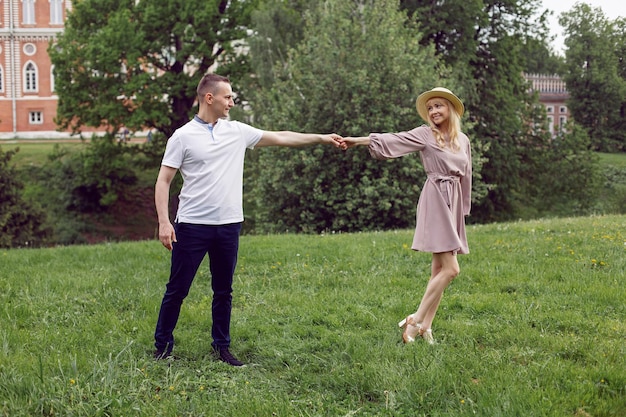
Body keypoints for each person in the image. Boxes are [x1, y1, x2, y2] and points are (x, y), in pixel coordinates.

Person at [154, 73, 342, 365]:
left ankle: (222, 347)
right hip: (192, 226)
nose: (232, 102)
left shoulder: (237, 131)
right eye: (227, 97)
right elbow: (164, 181)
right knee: (177, 289)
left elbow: (281, 137)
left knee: (224, 290)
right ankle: (162, 347)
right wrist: (165, 222)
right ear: (209, 98)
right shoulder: (182, 137)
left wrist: (322, 138)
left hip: (229, 225)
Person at [339, 87, 472, 345]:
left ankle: (426, 327)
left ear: (451, 109)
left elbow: (466, 176)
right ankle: (415, 320)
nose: (433, 111)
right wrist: (356, 141)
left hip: (453, 201)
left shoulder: (463, 140)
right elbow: (393, 139)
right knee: (451, 269)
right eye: (430, 107)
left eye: (438, 106)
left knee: (439, 270)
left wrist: (462, 210)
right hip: (435, 199)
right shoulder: (425, 134)